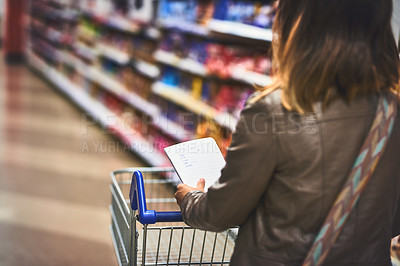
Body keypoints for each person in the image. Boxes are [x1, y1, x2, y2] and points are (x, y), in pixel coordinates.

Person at [174, 0, 400, 265]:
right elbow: (392, 220)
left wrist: (190, 199)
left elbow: (220, 213)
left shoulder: (274, 110)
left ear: (302, 22)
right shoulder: (391, 107)